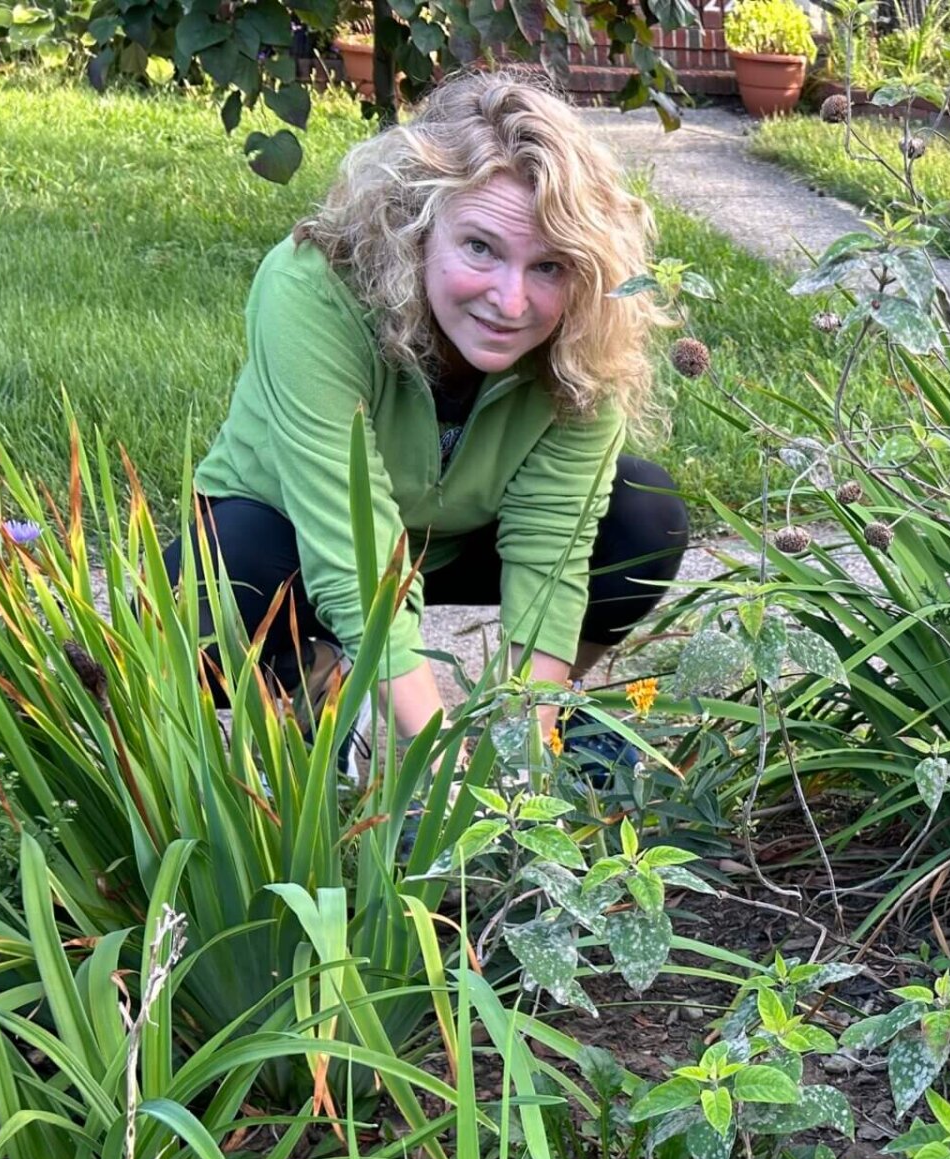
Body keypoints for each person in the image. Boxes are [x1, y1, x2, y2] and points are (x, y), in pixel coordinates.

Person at [166, 69, 690, 761]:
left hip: (459, 542)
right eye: (480, 247)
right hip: (290, 536)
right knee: (202, 600)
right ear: (416, 224)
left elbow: (553, 550)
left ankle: (549, 717)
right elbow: (350, 545)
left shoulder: (590, 323)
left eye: (551, 266)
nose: (511, 302)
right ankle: (318, 686)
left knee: (643, 516)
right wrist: (437, 760)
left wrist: (515, 755)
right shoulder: (311, 287)